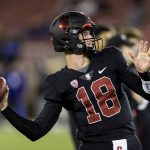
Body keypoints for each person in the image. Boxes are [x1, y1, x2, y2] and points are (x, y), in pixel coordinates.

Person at [0, 11, 150, 150]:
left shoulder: (110, 56)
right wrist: (5, 108)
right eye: (85, 33)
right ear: (67, 38)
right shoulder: (57, 81)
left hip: (129, 143)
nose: (91, 37)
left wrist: (144, 75)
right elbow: (36, 131)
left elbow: (147, 93)